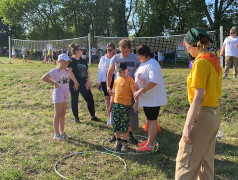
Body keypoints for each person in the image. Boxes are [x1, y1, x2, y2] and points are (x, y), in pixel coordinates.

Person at [175, 27, 222, 179]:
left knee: (185, 164)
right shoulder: (214, 59)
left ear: (191, 44)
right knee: (205, 165)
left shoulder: (200, 63)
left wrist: (187, 126)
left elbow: (199, 96)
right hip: (213, 115)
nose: (186, 49)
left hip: (202, 115)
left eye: (185, 46)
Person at [134, 44, 167, 152]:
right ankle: (149, 141)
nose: (137, 57)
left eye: (138, 55)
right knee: (149, 119)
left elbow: (153, 81)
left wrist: (140, 91)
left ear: (145, 54)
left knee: (152, 121)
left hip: (153, 98)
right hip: (147, 98)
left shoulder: (153, 63)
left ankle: (150, 145)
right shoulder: (144, 63)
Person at [107, 39, 140, 144]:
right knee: (115, 113)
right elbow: (110, 72)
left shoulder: (136, 59)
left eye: (126, 51)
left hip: (130, 92)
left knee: (130, 114)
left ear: (130, 49)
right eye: (122, 51)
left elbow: (140, 74)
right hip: (117, 91)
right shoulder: (115, 58)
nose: (124, 53)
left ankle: (130, 135)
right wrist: (108, 86)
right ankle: (116, 135)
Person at [41, 54, 79, 141]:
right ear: (59, 62)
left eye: (67, 62)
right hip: (58, 93)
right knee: (58, 113)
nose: (66, 63)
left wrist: (75, 82)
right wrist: (54, 83)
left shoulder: (67, 71)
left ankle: (62, 132)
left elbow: (68, 79)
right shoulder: (55, 71)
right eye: (64, 62)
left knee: (63, 113)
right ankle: (56, 134)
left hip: (66, 92)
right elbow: (44, 78)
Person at [108, 62, 138, 152]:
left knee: (125, 125)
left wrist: (136, 103)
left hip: (126, 106)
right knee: (116, 124)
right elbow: (113, 94)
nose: (121, 74)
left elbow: (135, 93)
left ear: (127, 70)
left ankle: (125, 143)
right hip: (116, 106)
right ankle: (118, 142)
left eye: (123, 72)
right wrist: (110, 105)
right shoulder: (116, 81)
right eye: (119, 72)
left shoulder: (130, 80)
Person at [68, 43, 100, 123]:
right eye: (81, 49)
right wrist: (75, 82)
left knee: (90, 99)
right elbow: (70, 72)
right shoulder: (71, 61)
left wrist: (88, 81)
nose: (83, 51)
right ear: (76, 51)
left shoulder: (83, 60)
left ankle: (93, 116)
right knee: (74, 100)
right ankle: (76, 118)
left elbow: (88, 72)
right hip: (74, 84)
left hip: (84, 84)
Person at [97, 43, 116, 118]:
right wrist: (99, 82)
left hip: (114, 79)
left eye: (110, 50)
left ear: (114, 50)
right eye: (107, 50)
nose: (108, 51)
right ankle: (109, 117)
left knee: (114, 98)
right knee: (107, 98)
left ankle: (114, 116)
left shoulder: (116, 57)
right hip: (104, 80)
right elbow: (100, 70)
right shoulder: (103, 58)